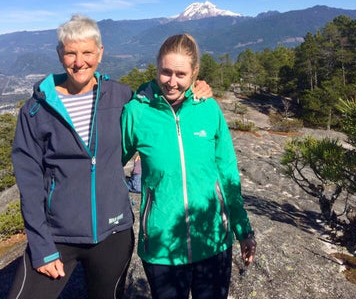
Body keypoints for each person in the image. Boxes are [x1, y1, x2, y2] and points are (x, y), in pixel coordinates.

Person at [9, 15, 211, 299]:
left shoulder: (121, 96)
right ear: (59, 54)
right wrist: (41, 246)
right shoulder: (36, 110)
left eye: (87, 52)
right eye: (70, 53)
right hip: (57, 233)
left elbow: (159, 95)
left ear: (100, 53)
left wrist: (196, 88)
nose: (79, 62)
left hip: (113, 234)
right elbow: (29, 182)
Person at [122, 34, 256, 299]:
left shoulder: (209, 109)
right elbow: (109, 164)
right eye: (166, 72)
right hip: (162, 247)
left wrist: (243, 229)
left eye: (181, 74)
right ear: (157, 68)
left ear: (195, 73)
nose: (172, 81)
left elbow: (228, 174)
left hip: (213, 240)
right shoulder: (137, 112)